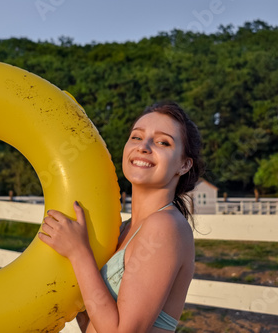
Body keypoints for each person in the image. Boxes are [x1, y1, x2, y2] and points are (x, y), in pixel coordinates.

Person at [38, 101, 204, 333]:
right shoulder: (124, 229)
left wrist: (78, 252)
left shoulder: (165, 226)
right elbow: (92, 322)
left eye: (162, 142)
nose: (144, 147)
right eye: (136, 137)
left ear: (184, 164)